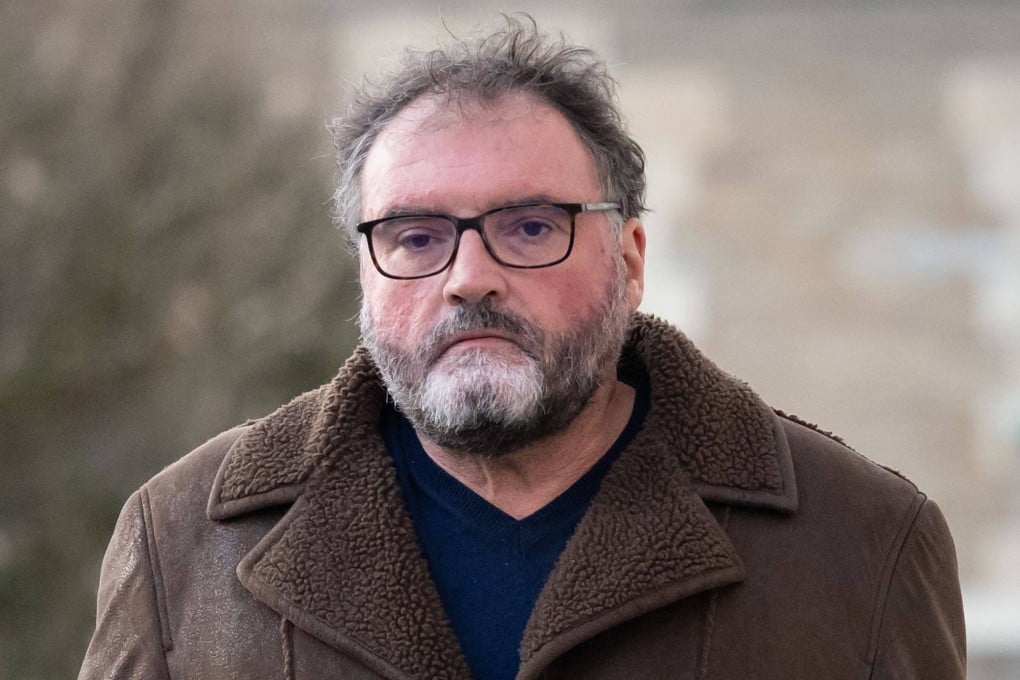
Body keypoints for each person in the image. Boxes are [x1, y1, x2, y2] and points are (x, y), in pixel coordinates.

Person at [79, 17, 966, 680]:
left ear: (629, 259)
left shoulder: (862, 543)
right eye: (417, 236)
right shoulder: (185, 540)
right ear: (365, 273)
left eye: (531, 226)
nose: (469, 277)